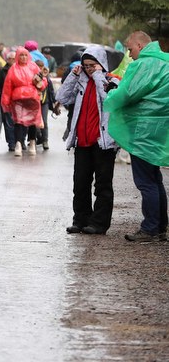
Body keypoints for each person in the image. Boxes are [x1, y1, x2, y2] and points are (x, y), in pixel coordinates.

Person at [104, 31, 169, 243]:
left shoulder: (143, 64)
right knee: (155, 179)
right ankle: (160, 226)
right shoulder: (166, 62)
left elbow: (127, 93)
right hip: (160, 130)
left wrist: (110, 94)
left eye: (130, 49)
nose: (129, 55)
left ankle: (150, 229)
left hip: (144, 131)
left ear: (140, 46)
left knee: (146, 182)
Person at [55, 46, 119, 235]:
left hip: (103, 142)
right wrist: (73, 76)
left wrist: (99, 75)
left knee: (102, 185)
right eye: (86, 65)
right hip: (82, 141)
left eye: (92, 65)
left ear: (101, 64)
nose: (89, 69)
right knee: (80, 184)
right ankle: (80, 220)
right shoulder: (80, 81)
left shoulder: (112, 80)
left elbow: (108, 99)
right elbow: (62, 97)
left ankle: (99, 223)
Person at [2, 47, 47, 157]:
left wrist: (40, 84)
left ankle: (32, 142)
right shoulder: (13, 68)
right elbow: (8, 86)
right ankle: (18, 143)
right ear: (17, 56)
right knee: (18, 122)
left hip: (32, 98)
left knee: (32, 122)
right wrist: (5, 101)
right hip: (18, 99)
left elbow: (43, 80)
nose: (23, 57)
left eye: (25, 55)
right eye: (21, 55)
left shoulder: (33, 66)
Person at [0, 50, 17, 152]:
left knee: (19, 122)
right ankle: (11, 143)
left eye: (14, 58)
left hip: (19, 100)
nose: (12, 60)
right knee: (8, 122)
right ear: (6, 59)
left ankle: (20, 141)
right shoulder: (2, 71)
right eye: (10, 59)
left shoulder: (22, 70)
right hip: (6, 100)